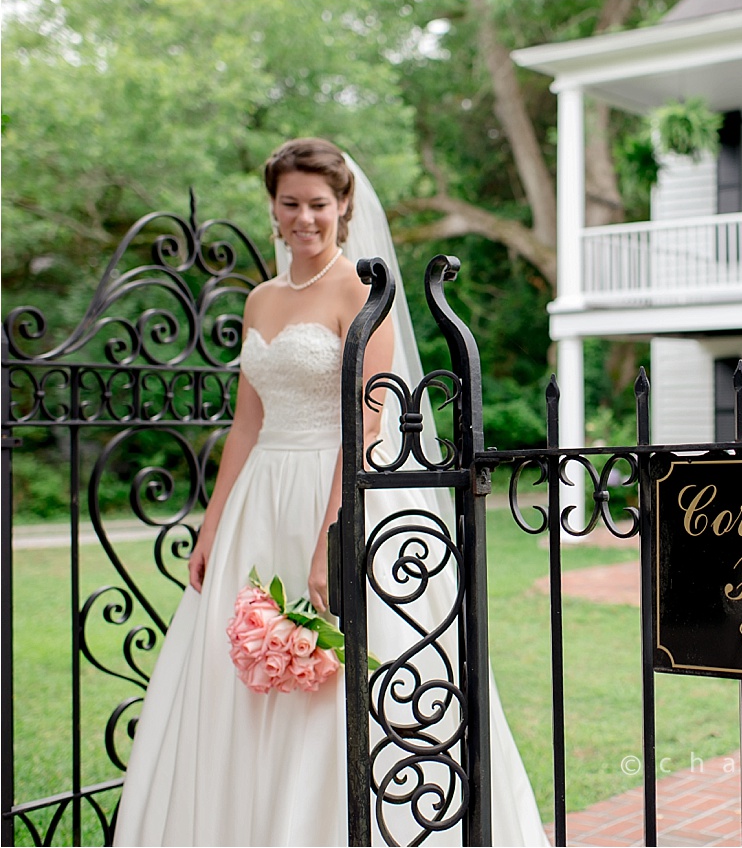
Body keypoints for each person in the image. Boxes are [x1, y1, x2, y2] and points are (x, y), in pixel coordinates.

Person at [113, 138, 547, 846]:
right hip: (262, 499)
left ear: (344, 207)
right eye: (290, 204)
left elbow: (369, 420)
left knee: (334, 672)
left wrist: (329, 541)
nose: (305, 217)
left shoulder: (360, 291)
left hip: (338, 487)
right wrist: (213, 523)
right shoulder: (259, 298)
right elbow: (246, 421)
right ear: (274, 209)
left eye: (319, 203)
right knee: (240, 674)